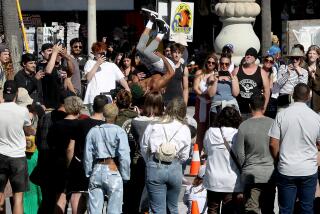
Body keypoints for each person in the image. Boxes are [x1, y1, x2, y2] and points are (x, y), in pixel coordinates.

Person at [269, 83, 320, 213]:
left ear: (292, 95)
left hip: (286, 168)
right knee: (307, 208)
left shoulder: (282, 115)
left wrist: (278, 160)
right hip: (308, 169)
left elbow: (273, 143)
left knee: (285, 209)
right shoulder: (316, 117)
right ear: (308, 96)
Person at [141, 98, 191, 214]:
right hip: (175, 166)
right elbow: (185, 155)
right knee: (173, 208)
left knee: (157, 209)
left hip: (156, 164)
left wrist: (149, 161)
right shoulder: (185, 129)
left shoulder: (154, 124)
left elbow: (144, 146)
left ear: (167, 109)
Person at [84, 103, 131, 213]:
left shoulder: (93, 131)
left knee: (94, 209)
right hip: (112, 168)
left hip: (97, 168)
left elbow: (88, 155)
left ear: (104, 115)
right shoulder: (119, 131)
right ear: (116, 115)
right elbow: (124, 156)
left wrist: (88, 172)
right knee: (114, 210)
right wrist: (125, 175)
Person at [234, 94, 275, 213]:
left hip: (251, 173)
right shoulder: (273, 123)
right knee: (268, 208)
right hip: (270, 174)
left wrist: (245, 168)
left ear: (249, 106)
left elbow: (240, 154)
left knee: (251, 208)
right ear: (264, 107)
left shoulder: (243, 126)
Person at [0, 80, 34, 214]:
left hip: (0, 154)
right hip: (17, 157)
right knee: (18, 198)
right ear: (16, 94)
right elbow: (29, 130)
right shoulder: (22, 111)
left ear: (3, 93)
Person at [46, 96, 83, 213]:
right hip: (77, 164)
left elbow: (50, 144)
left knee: (60, 196)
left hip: (58, 163)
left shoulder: (55, 125)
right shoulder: (81, 125)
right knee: (75, 197)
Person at [203, 106, 242, 214]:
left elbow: (206, 150)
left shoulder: (210, 132)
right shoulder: (238, 134)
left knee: (212, 209)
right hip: (232, 181)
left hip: (213, 179)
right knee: (229, 210)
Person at [130, 91, 165, 213]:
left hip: (141, 161)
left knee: (141, 194)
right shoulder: (165, 122)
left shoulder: (136, 122)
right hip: (161, 161)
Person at [83, 42, 130, 114]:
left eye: (103, 52)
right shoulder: (90, 62)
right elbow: (88, 78)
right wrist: (97, 64)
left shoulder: (112, 65)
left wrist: (127, 89)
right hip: (93, 99)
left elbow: (121, 79)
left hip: (108, 99)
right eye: (99, 53)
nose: (101, 55)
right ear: (94, 53)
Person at [233, 47, 270, 119]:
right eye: (247, 54)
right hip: (239, 110)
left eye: (251, 55)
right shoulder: (236, 70)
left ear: (255, 58)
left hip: (256, 111)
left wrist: (264, 107)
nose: (248, 56)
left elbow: (267, 91)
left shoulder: (262, 72)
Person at [137, 8, 175, 74]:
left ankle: (151, 20)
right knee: (147, 51)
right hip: (166, 68)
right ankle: (163, 31)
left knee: (139, 48)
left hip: (154, 67)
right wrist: (162, 56)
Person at [193, 53, 218, 152]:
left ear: (216, 64)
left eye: (213, 62)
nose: (210, 64)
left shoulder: (216, 74)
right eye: (209, 62)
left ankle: (208, 154)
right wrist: (203, 96)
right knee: (200, 130)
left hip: (212, 104)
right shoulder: (200, 72)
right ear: (206, 62)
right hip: (202, 103)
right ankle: (197, 154)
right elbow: (195, 87)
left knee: (211, 129)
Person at [37, 43, 74, 109]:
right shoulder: (40, 65)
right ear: (42, 53)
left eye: (53, 50)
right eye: (49, 51)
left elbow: (71, 72)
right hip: (48, 104)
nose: (52, 53)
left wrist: (67, 57)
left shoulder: (60, 66)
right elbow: (48, 71)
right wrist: (54, 52)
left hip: (61, 103)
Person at [272, 47, 308, 111]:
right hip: (283, 98)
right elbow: (279, 83)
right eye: (292, 58)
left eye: (297, 58)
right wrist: (287, 73)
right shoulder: (283, 67)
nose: (294, 60)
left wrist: (300, 73)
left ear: (300, 59)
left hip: (297, 100)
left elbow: (302, 88)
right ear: (290, 58)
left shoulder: (304, 72)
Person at [207, 53, 240, 125]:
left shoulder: (234, 77)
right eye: (222, 63)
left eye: (226, 64)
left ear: (230, 64)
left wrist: (233, 80)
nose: (224, 66)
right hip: (216, 107)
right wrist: (216, 81)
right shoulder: (212, 77)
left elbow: (236, 93)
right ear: (219, 63)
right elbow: (211, 94)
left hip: (231, 108)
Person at [306, 45, 320, 112]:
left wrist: (313, 77)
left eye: (314, 53)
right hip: (304, 101)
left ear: (318, 56)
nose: (312, 55)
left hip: (316, 103)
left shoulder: (319, 70)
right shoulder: (303, 68)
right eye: (310, 53)